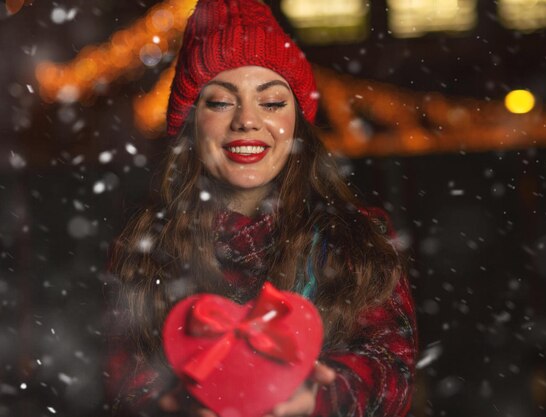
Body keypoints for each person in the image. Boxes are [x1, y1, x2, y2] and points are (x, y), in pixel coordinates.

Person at [106, 0, 418, 416]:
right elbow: (125, 382)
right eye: (220, 103)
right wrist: (175, 405)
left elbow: (392, 370)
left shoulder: (356, 239)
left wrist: (320, 398)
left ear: (296, 121)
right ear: (191, 122)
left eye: (271, 103)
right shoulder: (146, 249)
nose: (247, 121)